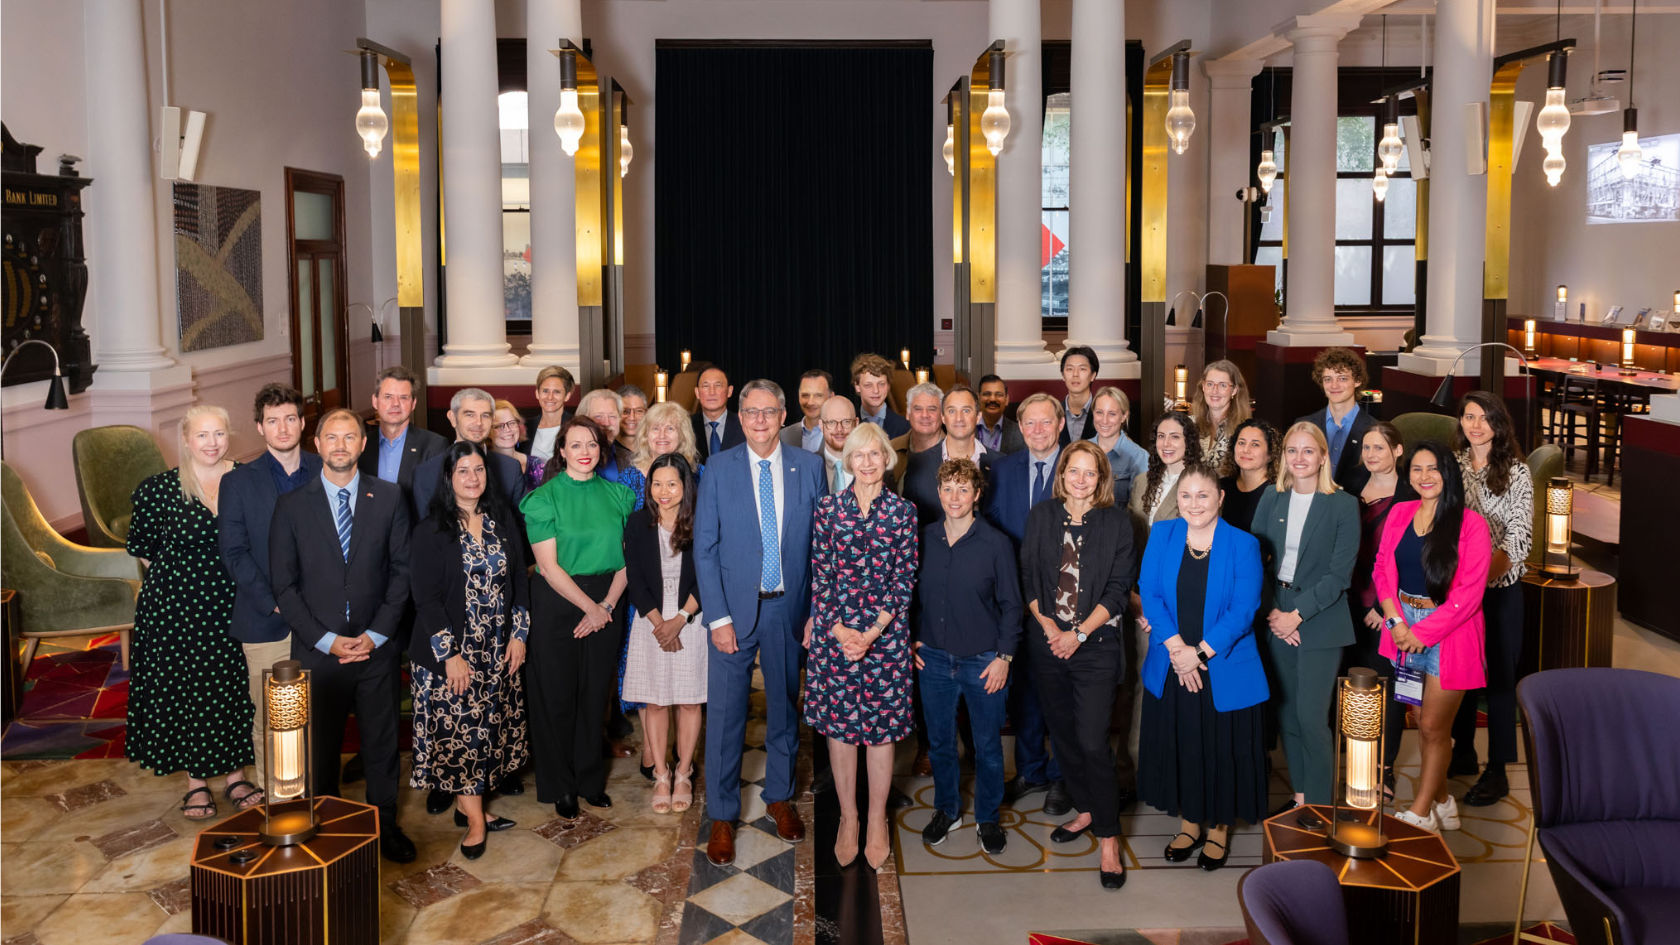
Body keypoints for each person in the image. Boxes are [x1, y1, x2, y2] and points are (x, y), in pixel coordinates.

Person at [269, 408, 415, 862]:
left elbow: (402, 573)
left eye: (348, 437)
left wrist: (376, 634)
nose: (339, 445)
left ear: (362, 444)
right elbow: (284, 586)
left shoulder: (390, 497)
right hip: (319, 652)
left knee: (380, 744)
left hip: (376, 649)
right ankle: (329, 828)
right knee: (321, 749)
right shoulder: (291, 506)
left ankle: (384, 825)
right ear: (317, 444)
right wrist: (327, 640)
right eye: (331, 437)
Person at [694, 379, 826, 865]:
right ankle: (723, 815)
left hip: (788, 610)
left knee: (784, 710)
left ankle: (779, 797)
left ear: (783, 414)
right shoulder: (719, 468)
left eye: (769, 412)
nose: (760, 421)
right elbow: (704, 548)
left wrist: (815, 610)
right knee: (726, 717)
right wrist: (718, 617)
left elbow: (822, 548)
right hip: (733, 611)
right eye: (751, 412)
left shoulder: (808, 467)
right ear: (740, 415)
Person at [128, 405, 258, 821]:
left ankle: (236, 776)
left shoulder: (247, 479)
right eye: (202, 435)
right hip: (176, 610)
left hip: (234, 602)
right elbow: (145, 553)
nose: (212, 443)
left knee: (231, 688)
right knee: (186, 692)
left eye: (219, 433)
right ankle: (196, 784)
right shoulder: (158, 489)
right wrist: (183, 588)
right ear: (185, 439)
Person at [1138, 462, 1267, 871]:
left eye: (1203, 495)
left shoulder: (1242, 544)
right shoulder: (1163, 534)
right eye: (1187, 496)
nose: (1194, 504)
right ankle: (1190, 822)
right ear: (1177, 499)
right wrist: (1178, 650)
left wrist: (1200, 653)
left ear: (1220, 498)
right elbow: (1150, 593)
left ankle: (1219, 830)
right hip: (1173, 661)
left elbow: (1243, 609)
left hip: (1221, 666)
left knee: (1220, 748)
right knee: (1183, 745)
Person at [1020, 440, 1134, 890]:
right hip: (1048, 642)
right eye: (1074, 470)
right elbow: (1028, 576)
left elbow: (1118, 589)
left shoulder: (1117, 522)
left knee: (1091, 740)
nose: (1081, 479)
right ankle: (1085, 808)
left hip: (1096, 645)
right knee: (1063, 735)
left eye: (1091, 472)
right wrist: (1049, 627)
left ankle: (1108, 837)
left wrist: (1078, 633)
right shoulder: (1042, 517)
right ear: (1062, 474)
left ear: (1101, 479)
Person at [409, 441, 530, 858]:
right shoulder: (430, 530)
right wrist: (450, 655)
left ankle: (468, 805)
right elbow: (424, 598)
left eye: (479, 469)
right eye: (463, 471)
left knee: (489, 733)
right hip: (451, 655)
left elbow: (519, 578)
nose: (473, 478)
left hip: (497, 647)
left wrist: (519, 635)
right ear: (448, 478)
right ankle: (476, 820)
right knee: (463, 738)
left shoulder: (502, 520)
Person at [806, 422, 918, 870]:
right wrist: (838, 632)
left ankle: (876, 819)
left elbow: (903, 581)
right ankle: (848, 818)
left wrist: (871, 633)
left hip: (885, 639)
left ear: (886, 460)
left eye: (876, 454)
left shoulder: (904, 512)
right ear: (847, 460)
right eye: (859, 455)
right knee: (840, 731)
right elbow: (821, 576)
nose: (868, 463)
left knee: (881, 733)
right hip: (836, 637)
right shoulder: (828, 510)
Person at [520, 417, 636, 818]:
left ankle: (590, 780)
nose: (585, 452)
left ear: (601, 450)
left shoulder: (620, 496)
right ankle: (560, 786)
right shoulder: (544, 498)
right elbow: (548, 568)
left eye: (592, 444)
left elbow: (628, 561)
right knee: (557, 697)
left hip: (608, 600)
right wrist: (589, 608)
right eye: (576, 445)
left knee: (594, 696)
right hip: (557, 603)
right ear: (562, 451)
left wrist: (604, 606)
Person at [1375, 442, 1491, 832]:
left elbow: (1469, 595)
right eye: (1417, 470)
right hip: (1402, 623)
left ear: (1448, 474)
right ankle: (1443, 799)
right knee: (1419, 717)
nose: (1424, 477)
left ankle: (1422, 811)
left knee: (1431, 727)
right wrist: (1397, 625)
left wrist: (1421, 633)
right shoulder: (1399, 513)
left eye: (1433, 469)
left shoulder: (1471, 525)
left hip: (1450, 631)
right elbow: (1381, 571)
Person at [914, 458, 1021, 856]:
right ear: (938, 493)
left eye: (963, 489)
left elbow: (1012, 606)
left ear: (977, 495)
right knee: (941, 743)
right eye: (947, 488)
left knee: (987, 746)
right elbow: (907, 596)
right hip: (935, 661)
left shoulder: (996, 543)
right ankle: (947, 809)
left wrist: (1004, 657)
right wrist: (912, 640)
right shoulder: (923, 538)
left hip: (983, 661)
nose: (954, 497)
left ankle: (988, 817)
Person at [1252, 422, 1360, 809]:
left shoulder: (1343, 505)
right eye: (1292, 451)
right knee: (1287, 716)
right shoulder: (1272, 496)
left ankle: (1321, 805)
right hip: (1275, 614)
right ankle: (1300, 798)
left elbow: (1339, 576)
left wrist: (1295, 616)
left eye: (1308, 451)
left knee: (1312, 719)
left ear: (1323, 457)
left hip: (1321, 619)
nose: (1300, 458)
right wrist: (1273, 614)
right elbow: (1255, 562)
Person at [219, 384, 322, 787]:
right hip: (268, 621)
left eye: (290, 419)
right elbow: (235, 553)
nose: (283, 428)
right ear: (260, 427)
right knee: (277, 715)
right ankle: (279, 802)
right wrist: (279, 603)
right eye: (273, 421)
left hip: (325, 618)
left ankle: (317, 796)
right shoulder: (239, 482)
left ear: (302, 422)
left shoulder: (326, 468)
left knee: (320, 714)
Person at [983, 393, 1067, 814]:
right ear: (1020, 427)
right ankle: (1031, 770)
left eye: (1045, 422)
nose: (1037, 431)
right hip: (1015, 598)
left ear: (1060, 423)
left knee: (1062, 688)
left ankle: (1061, 774)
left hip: (1066, 600)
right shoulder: (1003, 469)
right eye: (1029, 424)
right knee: (1026, 689)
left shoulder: (1078, 466)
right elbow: (993, 530)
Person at [1450, 391, 1533, 808]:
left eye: (1484, 418)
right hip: (1459, 594)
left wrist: (1478, 583)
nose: (1475, 425)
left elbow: (1519, 540)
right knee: (1462, 673)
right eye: (1468, 417)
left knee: (1499, 679)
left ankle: (1498, 769)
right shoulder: (1455, 465)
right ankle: (1462, 751)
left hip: (1499, 592)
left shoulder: (1516, 472)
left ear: (1499, 424)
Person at [622, 453, 707, 814]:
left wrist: (681, 619)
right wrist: (660, 623)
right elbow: (635, 577)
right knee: (655, 700)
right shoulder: (638, 522)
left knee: (689, 699)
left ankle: (684, 771)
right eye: (657, 483)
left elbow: (710, 573)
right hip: (650, 620)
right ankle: (660, 772)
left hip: (692, 615)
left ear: (686, 486)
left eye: (672, 483)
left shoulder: (702, 520)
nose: (664, 491)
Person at [413, 388, 528, 516]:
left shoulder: (510, 469)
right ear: (452, 418)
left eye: (485, 415)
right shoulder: (427, 472)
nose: (478, 423)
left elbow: (522, 526)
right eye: (469, 415)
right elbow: (423, 530)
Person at [902, 386, 993, 529]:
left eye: (966, 410)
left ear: (978, 416)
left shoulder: (1000, 464)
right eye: (952, 411)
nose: (959, 418)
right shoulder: (919, 464)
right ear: (943, 417)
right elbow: (909, 521)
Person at [359, 365, 449, 502]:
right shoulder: (361, 446)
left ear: (413, 403)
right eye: (388, 397)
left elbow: (438, 501)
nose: (395, 404)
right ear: (375, 401)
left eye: (403, 398)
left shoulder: (434, 446)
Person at [1294, 347, 1374, 494]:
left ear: (1357, 381)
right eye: (1328, 379)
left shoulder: (1374, 429)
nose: (1334, 385)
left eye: (1342, 378)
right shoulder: (1304, 426)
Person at [1129, 411, 1202, 536]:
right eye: (1161, 436)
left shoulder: (1201, 484)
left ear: (1188, 441)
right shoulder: (1141, 481)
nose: (1166, 443)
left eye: (1175, 437)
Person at [1192, 360, 1253, 474]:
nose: (1215, 391)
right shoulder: (1189, 425)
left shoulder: (1244, 430)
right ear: (1203, 387)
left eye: (1222, 385)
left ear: (1234, 390)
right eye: (1210, 384)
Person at [1219, 418, 1279, 535]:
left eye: (1255, 444)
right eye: (1241, 443)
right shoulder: (1221, 486)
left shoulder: (1277, 493)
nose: (1246, 450)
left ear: (1271, 454)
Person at [1090, 387, 1148, 503]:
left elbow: (1140, 509)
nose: (1104, 421)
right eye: (1099, 412)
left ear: (1124, 416)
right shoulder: (1079, 450)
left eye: (1112, 414)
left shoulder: (1139, 457)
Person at [526, 365, 576, 487]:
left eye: (557, 392)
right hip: (531, 495)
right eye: (545, 391)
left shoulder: (575, 426)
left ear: (567, 396)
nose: (550, 397)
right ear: (537, 393)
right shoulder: (526, 427)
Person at [893, 382, 945, 490]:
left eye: (932, 409)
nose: (925, 415)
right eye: (918, 409)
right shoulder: (890, 449)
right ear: (907, 414)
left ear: (942, 415)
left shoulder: (955, 452)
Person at [691, 366, 745, 461]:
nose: (712, 392)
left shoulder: (744, 424)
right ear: (697, 392)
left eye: (718, 385)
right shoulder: (687, 426)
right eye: (706, 386)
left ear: (729, 391)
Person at [852, 352, 910, 437]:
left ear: (888, 386)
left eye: (881, 384)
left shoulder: (904, 426)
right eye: (868, 385)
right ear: (857, 386)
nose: (876, 391)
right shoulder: (848, 424)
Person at [781, 368, 833, 453]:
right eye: (805, 395)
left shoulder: (844, 434)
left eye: (818, 395)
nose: (810, 402)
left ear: (831, 397)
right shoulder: (783, 436)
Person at [1058, 346, 1100, 445]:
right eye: (1069, 369)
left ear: (1093, 375)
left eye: (1082, 369)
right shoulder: (1054, 412)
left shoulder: (1103, 413)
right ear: (1063, 375)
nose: (1075, 374)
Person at [818, 395, 860, 493]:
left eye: (846, 422)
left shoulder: (873, 466)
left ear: (856, 423)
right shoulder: (807, 467)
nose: (839, 429)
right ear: (821, 425)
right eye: (831, 422)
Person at [977, 374, 1026, 454]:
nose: (992, 399)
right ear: (979, 398)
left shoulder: (1020, 434)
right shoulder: (967, 428)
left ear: (1006, 400)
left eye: (998, 395)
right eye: (987, 394)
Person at [491, 399, 530, 475]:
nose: (507, 429)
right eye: (499, 426)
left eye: (512, 423)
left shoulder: (536, 464)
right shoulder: (481, 466)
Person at [616, 385, 649, 465]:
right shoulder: (607, 451)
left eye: (639, 411)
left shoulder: (655, 446)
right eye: (625, 411)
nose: (632, 418)